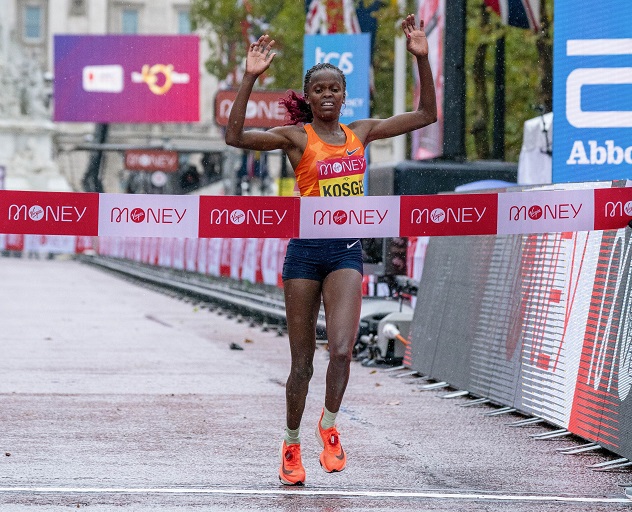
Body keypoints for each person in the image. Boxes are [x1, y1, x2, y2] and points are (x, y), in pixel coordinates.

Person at [225, 13, 437, 486]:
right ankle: (291, 441)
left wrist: (422, 59)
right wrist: (249, 77)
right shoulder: (297, 138)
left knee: (341, 351)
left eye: (333, 90)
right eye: (318, 90)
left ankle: (329, 426)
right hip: (303, 255)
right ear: (310, 96)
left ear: (344, 96)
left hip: (344, 252)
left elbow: (426, 117)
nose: (326, 96)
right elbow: (234, 137)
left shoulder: (362, 133)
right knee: (302, 362)